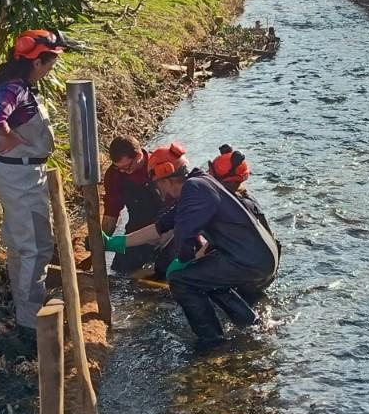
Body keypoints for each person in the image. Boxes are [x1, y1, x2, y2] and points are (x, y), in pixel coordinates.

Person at [106, 144, 280, 347]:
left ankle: (212, 341)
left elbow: (185, 234)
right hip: (259, 257)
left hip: (248, 260)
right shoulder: (198, 184)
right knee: (202, 276)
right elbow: (162, 226)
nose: (157, 188)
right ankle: (252, 324)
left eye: (157, 183)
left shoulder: (194, 189)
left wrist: (180, 263)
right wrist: (117, 243)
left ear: (167, 177)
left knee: (181, 280)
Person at [0, 28, 76, 331]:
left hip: (18, 172)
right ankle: (32, 321)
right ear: (36, 63)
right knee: (35, 246)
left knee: (20, 243)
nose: (49, 71)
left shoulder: (19, 85)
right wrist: (7, 136)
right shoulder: (15, 88)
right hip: (21, 175)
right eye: (49, 65)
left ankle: (25, 308)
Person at [102, 136, 163, 274]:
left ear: (139, 155)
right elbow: (111, 212)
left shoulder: (160, 166)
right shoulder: (114, 175)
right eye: (120, 168)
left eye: (127, 167)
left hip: (166, 226)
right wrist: (104, 241)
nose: (123, 171)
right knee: (120, 271)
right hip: (136, 227)